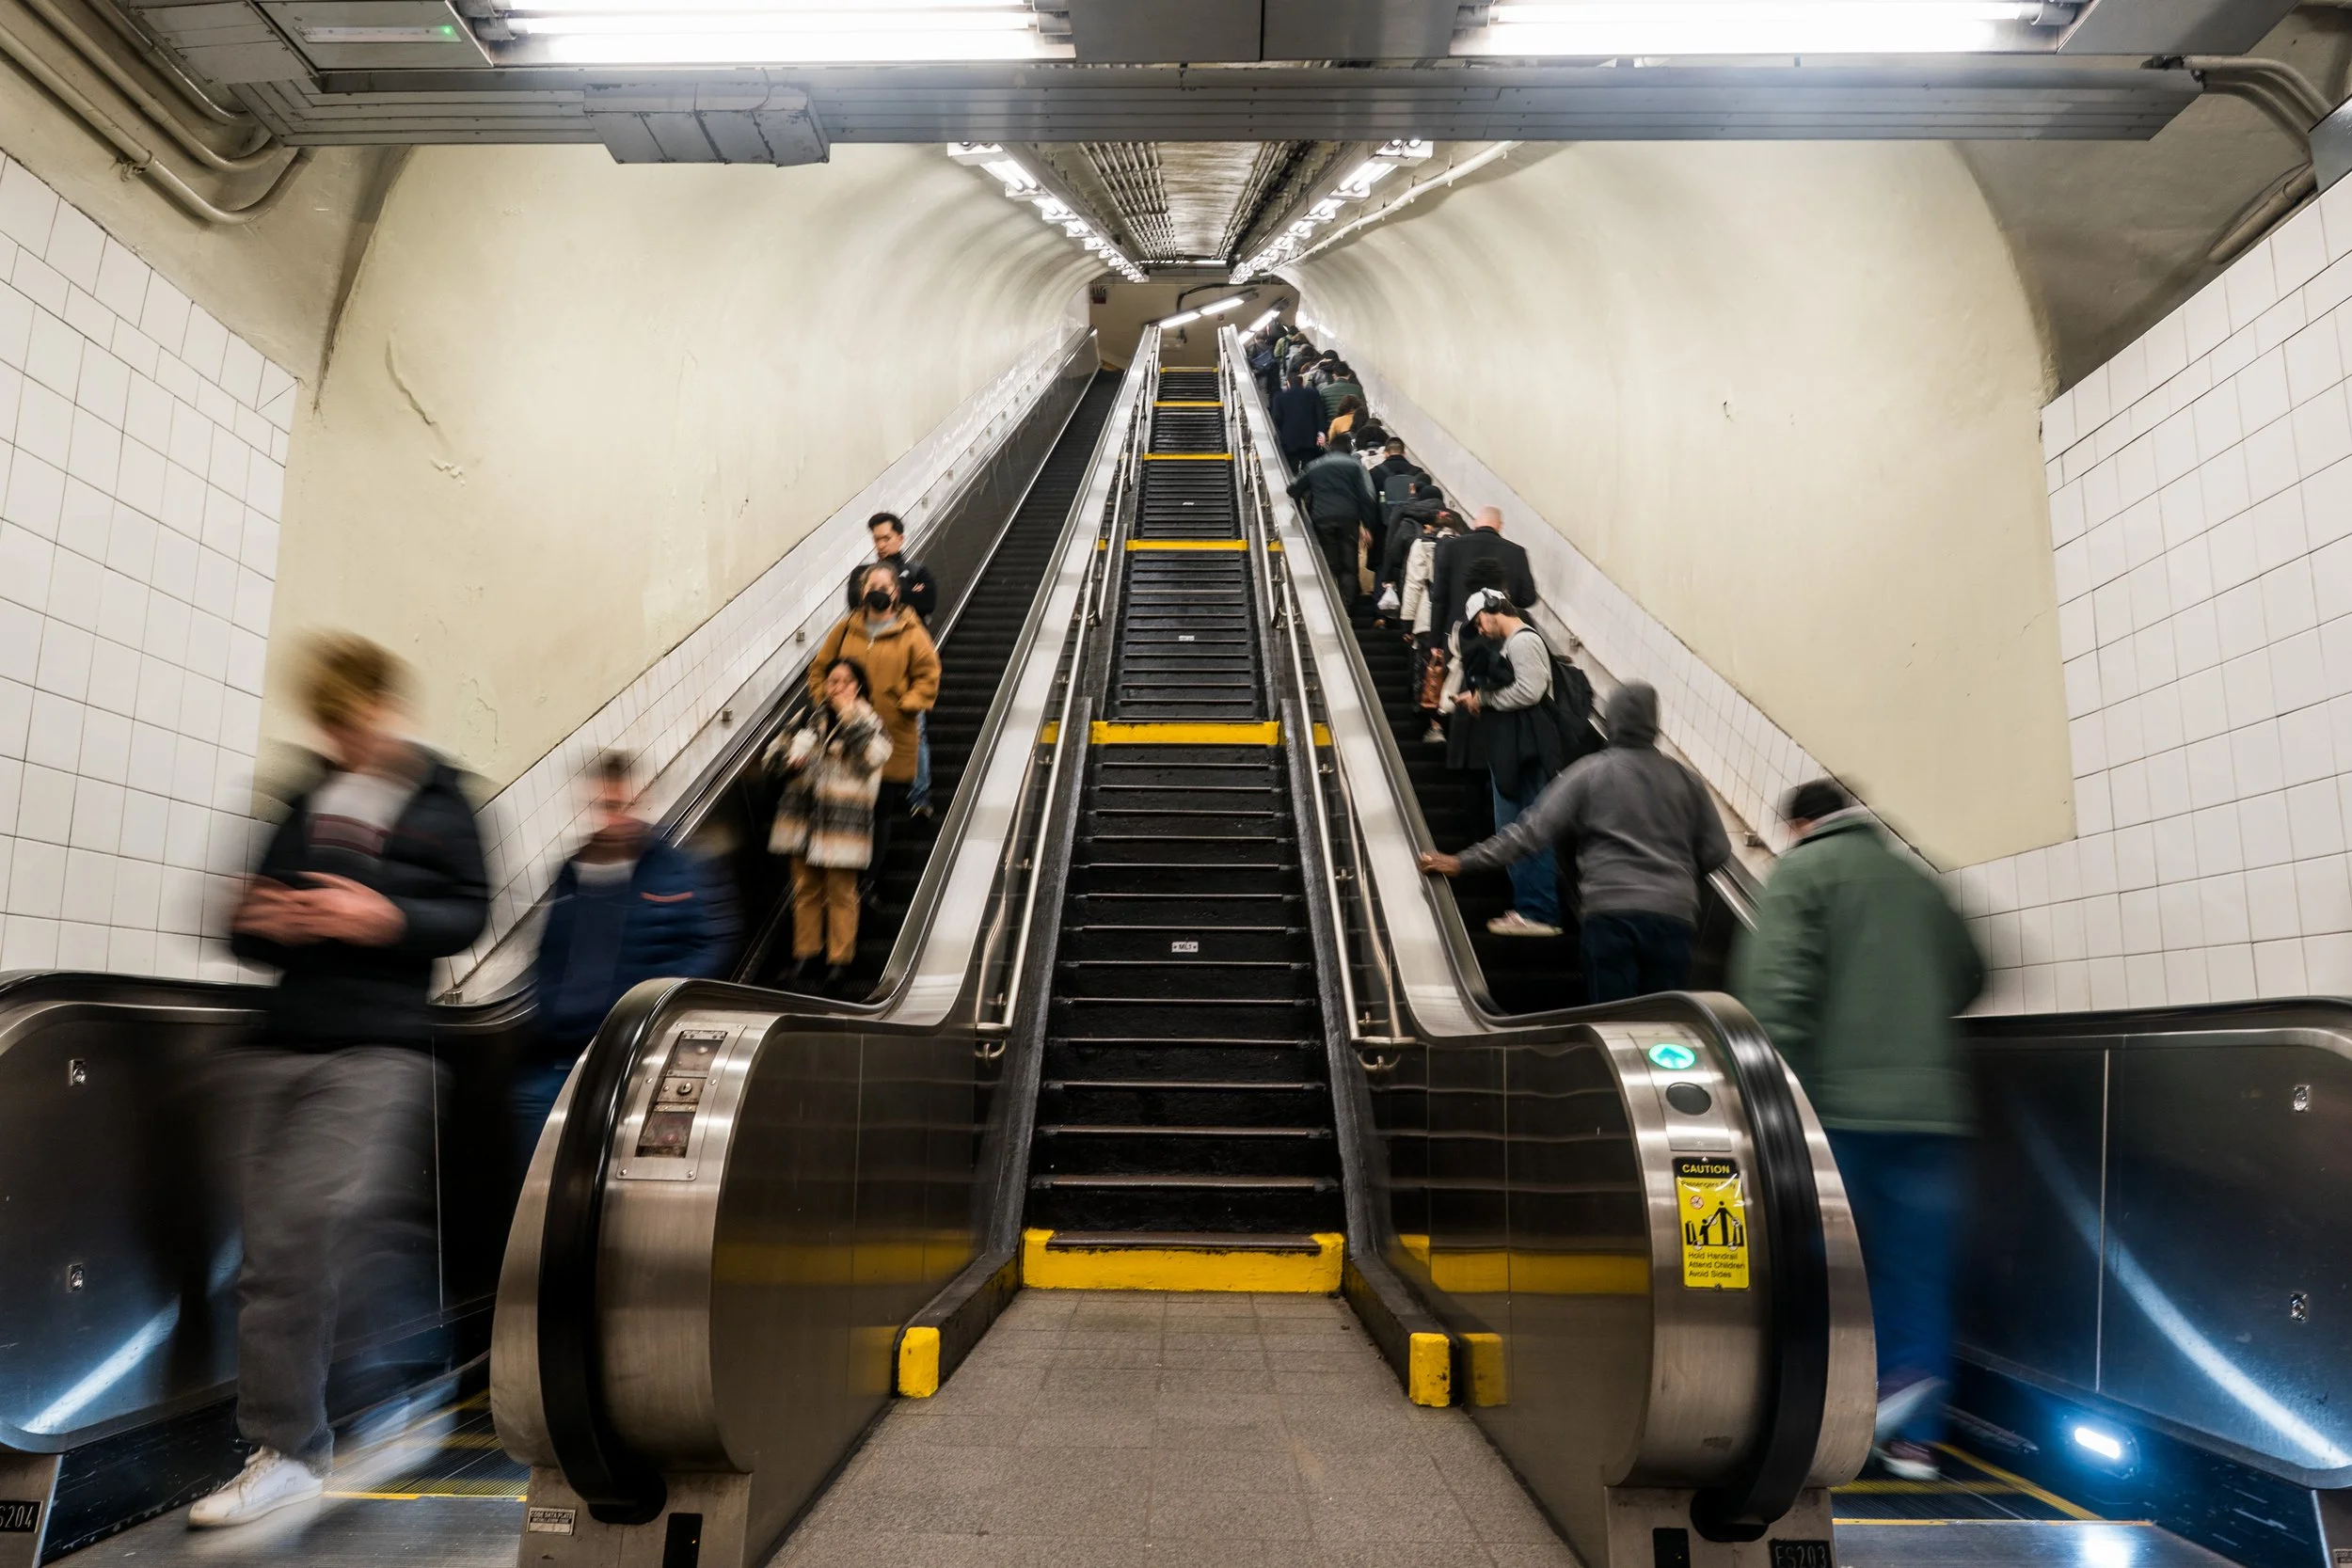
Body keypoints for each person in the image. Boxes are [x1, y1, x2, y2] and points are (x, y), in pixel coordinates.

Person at [192, 635, 488, 1528]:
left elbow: (471, 910)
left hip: (383, 1046)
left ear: (385, 708)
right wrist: (264, 915)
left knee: (304, 1228)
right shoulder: (304, 794)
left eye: (354, 720)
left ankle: (288, 1448)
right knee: (301, 1241)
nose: (342, 740)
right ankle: (395, 1390)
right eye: (329, 725)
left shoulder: (444, 799)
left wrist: (383, 914)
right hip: (282, 1041)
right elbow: (241, 924)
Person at [1728, 778, 1983, 1483]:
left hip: (1839, 1112)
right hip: (1934, 1113)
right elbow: (1970, 972)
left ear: (1800, 823)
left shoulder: (1803, 872)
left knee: (1819, 1265)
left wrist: (1776, 1099)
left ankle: (1818, 1419)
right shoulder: (1916, 879)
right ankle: (1914, 1440)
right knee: (1918, 1271)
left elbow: (1776, 992)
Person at [1421, 682, 1729, 990]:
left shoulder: (1589, 772)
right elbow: (1717, 849)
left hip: (1611, 914)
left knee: (1615, 1019)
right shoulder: (1687, 780)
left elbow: (1530, 833)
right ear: (1654, 724)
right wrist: (1677, 877)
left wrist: (1462, 862)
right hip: (1675, 919)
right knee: (1665, 1020)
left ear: (1611, 721)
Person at [519, 751, 737, 1178]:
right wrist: (551, 1012)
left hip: (639, 1054)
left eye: (618, 807)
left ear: (638, 801)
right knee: (537, 1175)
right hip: (562, 1058)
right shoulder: (571, 873)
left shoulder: (675, 871)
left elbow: (711, 943)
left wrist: (655, 1007)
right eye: (600, 808)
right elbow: (546, 957)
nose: (609, 820)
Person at [1433, 591, 1567, 935]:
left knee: (1529, 829)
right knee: (1517, 828)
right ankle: (1529, 907)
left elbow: (1531, 690)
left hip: (1529, 753)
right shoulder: (1513, 644)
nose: (1482, 630)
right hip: (1518, 752)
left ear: (1493, 610)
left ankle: (1539, 911)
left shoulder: (1523, 642)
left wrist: (1483, 699)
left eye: (1480, 622)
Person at [811, 563, 938, 899]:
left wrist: (907, 703)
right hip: (847, 738)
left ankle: (869, 879)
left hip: (892, 736)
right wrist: (827, 699)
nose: (877, 590)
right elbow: (820, 669)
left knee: (880, 811)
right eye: (872, 585)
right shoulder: (845, 630)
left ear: (896, 593)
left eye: (884, 585)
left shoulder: (912, 633)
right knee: (855, 808)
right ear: (862, 591)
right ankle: (845, 879)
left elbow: (929, 675)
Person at [768, 657, 895, 989]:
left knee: (841, 892)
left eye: (843, 681)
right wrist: (789, 762)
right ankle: (805, 955)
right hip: (803, 820)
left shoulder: (870, 721)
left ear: (858, 686)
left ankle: (840, 961)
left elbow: (874, 757)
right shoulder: (808, 717)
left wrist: (850, 716)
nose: (835, 688)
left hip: (843, 823)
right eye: (831, 681)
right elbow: (772, 756)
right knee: (805, 890)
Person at [844, 511, 940, 817]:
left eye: (886, 538)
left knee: (916, 730)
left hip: (907, 667)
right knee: (866, 729)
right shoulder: (862, 573)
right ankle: (872, 794)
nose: (881, 544)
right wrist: (908, 594)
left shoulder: (917, 571)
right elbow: (854, 601)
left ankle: (918, 797)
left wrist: (890, 594)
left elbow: (929, 602)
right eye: (876, 539)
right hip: (869, 666)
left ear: (900, 537)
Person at [1286, 432, 1380, 607]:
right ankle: (1347, 609)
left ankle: (1328, 605)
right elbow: (1368, 496)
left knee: (1329, 563)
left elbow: (1293, 487)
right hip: (1348, 520)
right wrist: (1367, 526)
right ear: (1349, 448)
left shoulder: (1316, 464)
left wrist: (1305, 498)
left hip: (1322, 519)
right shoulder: (1356, 465)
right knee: (1349, 566)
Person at [1431, 505, 1539, 633]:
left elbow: (1439, 596)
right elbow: (1528, 597)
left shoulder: (1452, 546)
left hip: (1457, 631)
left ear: (1475, 522)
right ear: (1499, 526)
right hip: (1498, 635)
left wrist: (1435, 640)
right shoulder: (1516, 553)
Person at [1271, 372, 1327, 472]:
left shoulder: (1279, 397)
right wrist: (1321, 432)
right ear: (1302, 383)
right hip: (1310, 437)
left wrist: (1283, 430)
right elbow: (1320, 415)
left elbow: (1277, 417)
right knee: (1308, 466)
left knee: (1292, 467)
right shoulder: (1313, 393)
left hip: (1289, 438)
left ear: (1288, 383)